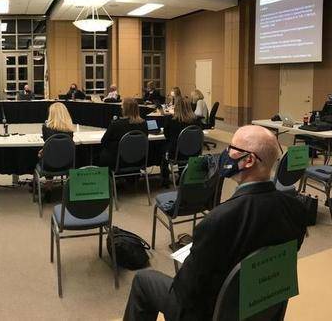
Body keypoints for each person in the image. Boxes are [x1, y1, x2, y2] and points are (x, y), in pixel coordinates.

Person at [123, 125, 307, 321]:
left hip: (208, 314)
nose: (225, 153)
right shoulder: (295, 210)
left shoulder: (218, 220)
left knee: (143, 280)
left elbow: (186, 292)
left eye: (232, 148)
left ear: (249, 160)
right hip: (260, 307)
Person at [98, 98, 147, 167]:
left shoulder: (116, 124)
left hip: (119, 161)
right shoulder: (144, 123)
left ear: (124, 109)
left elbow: (103, 141)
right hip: (138, 160)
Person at [161, 100, 202, 180]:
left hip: (177, 154)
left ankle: (165, 179)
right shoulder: (197, 121)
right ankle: (183, 175)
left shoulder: (171, 120)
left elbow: (167, 136)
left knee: (162, 150)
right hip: (194, 152)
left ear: (176, 108)